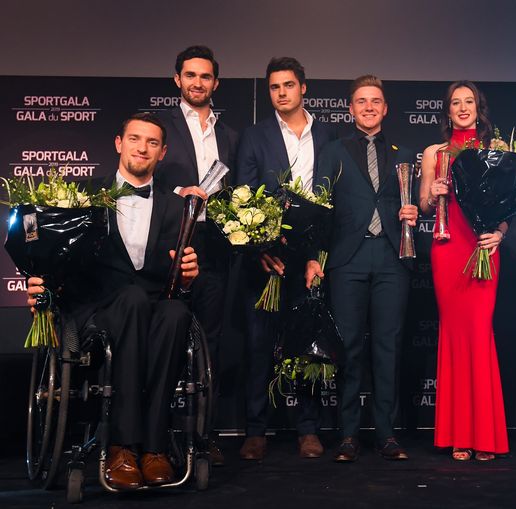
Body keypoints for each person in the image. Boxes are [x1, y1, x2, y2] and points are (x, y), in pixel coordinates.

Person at [26, 113, 201, 488]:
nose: (142, 148)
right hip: (98, 310)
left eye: (152, 142)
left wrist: (187, 278)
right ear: (119, 143)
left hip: (153, 308)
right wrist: (42, 284)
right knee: (133, 299)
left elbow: (179, 279)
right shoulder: (83, 196)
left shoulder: (177, 208)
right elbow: (52, 254)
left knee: (176, 312)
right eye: (135, 139)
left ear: (162, 152)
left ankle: (154, 448)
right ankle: (123, 446)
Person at [306, 75, 418, 462]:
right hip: (346, 259)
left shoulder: (405, 154)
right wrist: (315, 257)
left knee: (388, 347)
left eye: (375, 101)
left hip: (391, 257)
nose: (369, 107)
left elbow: (413, 204)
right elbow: (320, 209)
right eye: (361, 101)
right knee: (349, 349)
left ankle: (387, 434)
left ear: (385, 109)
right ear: (350, 108)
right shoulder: (333, 151)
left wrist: (412, 213)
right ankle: (349, 435)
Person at [235, 57, 334, 460]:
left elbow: (333, 201)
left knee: (308, 344)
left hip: (309, 259)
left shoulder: (327, 135)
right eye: (274, 87)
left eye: (288, 85)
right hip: (265, 258)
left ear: (303, 88)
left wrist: (316, 256)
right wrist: (261, 249)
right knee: (259, 346)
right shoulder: (254, 136)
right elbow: (244, 195)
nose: (281, 93)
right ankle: (256, 430)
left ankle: (308, 429)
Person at [155, 45, 239, 465]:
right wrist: (179, 193)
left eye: (205, 76)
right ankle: (157, 436)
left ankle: (205, 436)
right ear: (177, 79)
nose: (197, 83)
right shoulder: (160, 128)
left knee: (211, 343)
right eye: (190, 75)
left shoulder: (230, 136)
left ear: (215, 83)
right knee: (165, 337)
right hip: (171, 243)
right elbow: (144, 178)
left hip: (215, 247)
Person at [418, 81, 508, 462]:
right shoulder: (434, 153)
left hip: (482, 246)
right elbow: (423, 204)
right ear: (448, 110)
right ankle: (458, 435)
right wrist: (434, 192)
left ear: (478, 107)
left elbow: (508, 204)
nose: (462, 107)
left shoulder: (495, 149)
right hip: (448, 247)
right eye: (455, 102)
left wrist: (500, 234)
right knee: (454, 336)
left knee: (479, 333)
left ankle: (485, 435)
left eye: (468, 101)